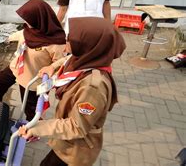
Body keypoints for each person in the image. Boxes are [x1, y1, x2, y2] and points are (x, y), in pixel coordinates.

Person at [19, 17, 126, 166]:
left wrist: (38, 128)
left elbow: (76, 126)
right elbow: (68, 59)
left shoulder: (93, 87)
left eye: (70, 41)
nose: (65, 46)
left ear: (88, 46)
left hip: (76, 149)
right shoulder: (88, 58)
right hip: (65, 141)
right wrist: (53, 67)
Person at [0, 0, 66, 120]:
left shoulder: (56, 42)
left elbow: (61, 63)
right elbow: (20, 34)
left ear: (40, 18)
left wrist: (51, 69)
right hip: (17, 67)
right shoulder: (30, 29)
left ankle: (33, 129)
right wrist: (4, 38)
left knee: (30, 107)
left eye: (29, 19)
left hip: (32, 80)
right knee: (0, 82)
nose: (25, 22)